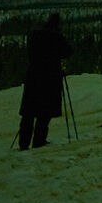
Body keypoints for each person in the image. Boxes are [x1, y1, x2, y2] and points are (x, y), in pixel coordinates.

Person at [18, 12, 72, 150]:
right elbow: (68, 51)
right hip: (50, 78)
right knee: (44, 112)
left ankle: (23, 143)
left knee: (29, 113)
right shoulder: (56, 37)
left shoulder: (34, 35)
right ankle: (39, 141)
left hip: (33, 77)